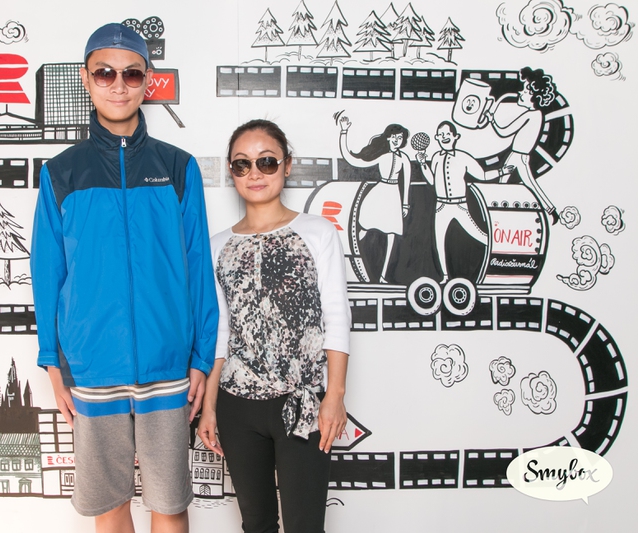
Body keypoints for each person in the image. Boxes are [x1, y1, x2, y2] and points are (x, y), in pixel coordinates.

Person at [30, 23, 217, 533]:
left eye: (131, 74)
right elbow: (47, 273)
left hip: (167, 365)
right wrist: (52, 362)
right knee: (109, 504)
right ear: (86, 79)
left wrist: (201, 357)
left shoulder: (177, 168)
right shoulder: (61, 173)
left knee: (169, 504)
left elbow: (198, 267)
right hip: (92, 366)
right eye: (105, 73)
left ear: (147, 81)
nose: (118, 85)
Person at [198, 119, 351, 533]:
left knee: (305, 526)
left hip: (303, 402)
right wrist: (209, 406)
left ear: (287, 165)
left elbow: (336, 316)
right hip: (236, 406)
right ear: (231, 172)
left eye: (266, 162)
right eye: (242, 164)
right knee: (257, 525)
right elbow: (221, 332)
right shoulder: (217, 246)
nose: (255, 173)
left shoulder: (317, 232)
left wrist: (334, 396)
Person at [417, 121, 513, 283]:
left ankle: (502, 258)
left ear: (456, 137)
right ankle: (445, 277)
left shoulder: (463, 157)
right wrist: (422, 164)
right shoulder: (436, 157)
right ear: (437, 138)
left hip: (460, 205)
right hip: (441, 207)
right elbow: (432, 181)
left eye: (448, 134)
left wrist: (501, 171)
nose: (444, 137)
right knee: (439, 241)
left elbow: (482, 176)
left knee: (480, 235)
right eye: (441, 135)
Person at [338, 117, 412, 283]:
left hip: (393, 197)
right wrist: (344, 132)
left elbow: (406, 182)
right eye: (394, 137)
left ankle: (384, 276)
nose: (397, 140)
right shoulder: (382, 156)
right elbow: (352, 160)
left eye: (400, 138)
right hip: (378, 194)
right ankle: (348, 262)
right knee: (362, 228)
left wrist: (405, 204)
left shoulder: (404, 159)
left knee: (392, 234)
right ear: (388, 138)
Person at [485, 66, 560, 225]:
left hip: (519, 156)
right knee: (511, 184)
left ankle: (500, 215)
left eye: (525, 90)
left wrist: (491, 119)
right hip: (518, 155)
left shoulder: (531, 115)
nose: (520, 92)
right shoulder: (537, 115)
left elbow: (504, 131)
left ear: (534, 96)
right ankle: (549, 210)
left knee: (514, 185)